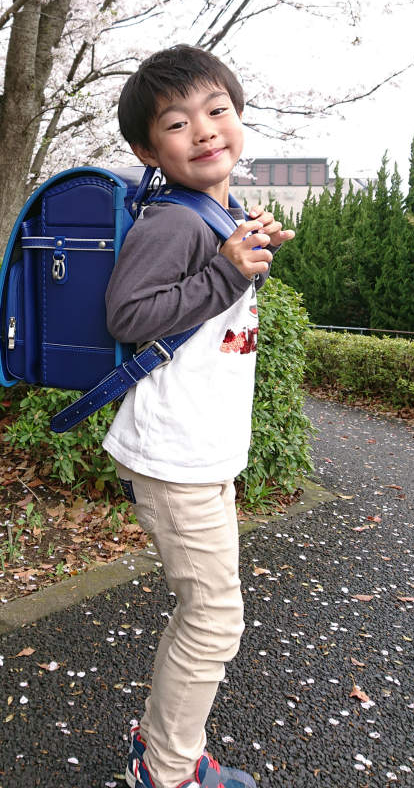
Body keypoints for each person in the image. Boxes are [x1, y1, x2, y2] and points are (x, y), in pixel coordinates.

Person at [103, 46, 294, 788]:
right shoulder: (178, 223)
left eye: (218, 111)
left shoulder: (215, 214)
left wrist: (245, 250)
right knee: (213, 618)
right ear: (149, 150)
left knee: (208, 611)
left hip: (201, 451)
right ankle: (167, 771)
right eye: (178, 124)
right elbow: (128, 312)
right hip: (173, 456)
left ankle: (159, 744)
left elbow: (210, 317)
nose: (206, 130)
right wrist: (224, 267)